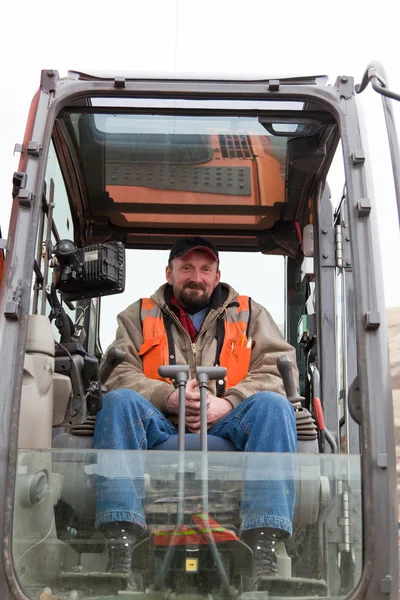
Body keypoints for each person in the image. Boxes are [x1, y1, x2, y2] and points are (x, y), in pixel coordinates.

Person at [93, 236, 298, 590]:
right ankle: (120, 544)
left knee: (273, 406)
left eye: (205, 269)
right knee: (118, 402)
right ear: (169, 273)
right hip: (160, 423)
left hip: (228, 424)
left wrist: (229, 402)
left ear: (217, 276)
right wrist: (166, 397)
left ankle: (264, 547)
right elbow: (118, 371)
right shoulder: (137, 315)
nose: (196, 277)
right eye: (186, 268)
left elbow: (275, 369)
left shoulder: (251, 315)